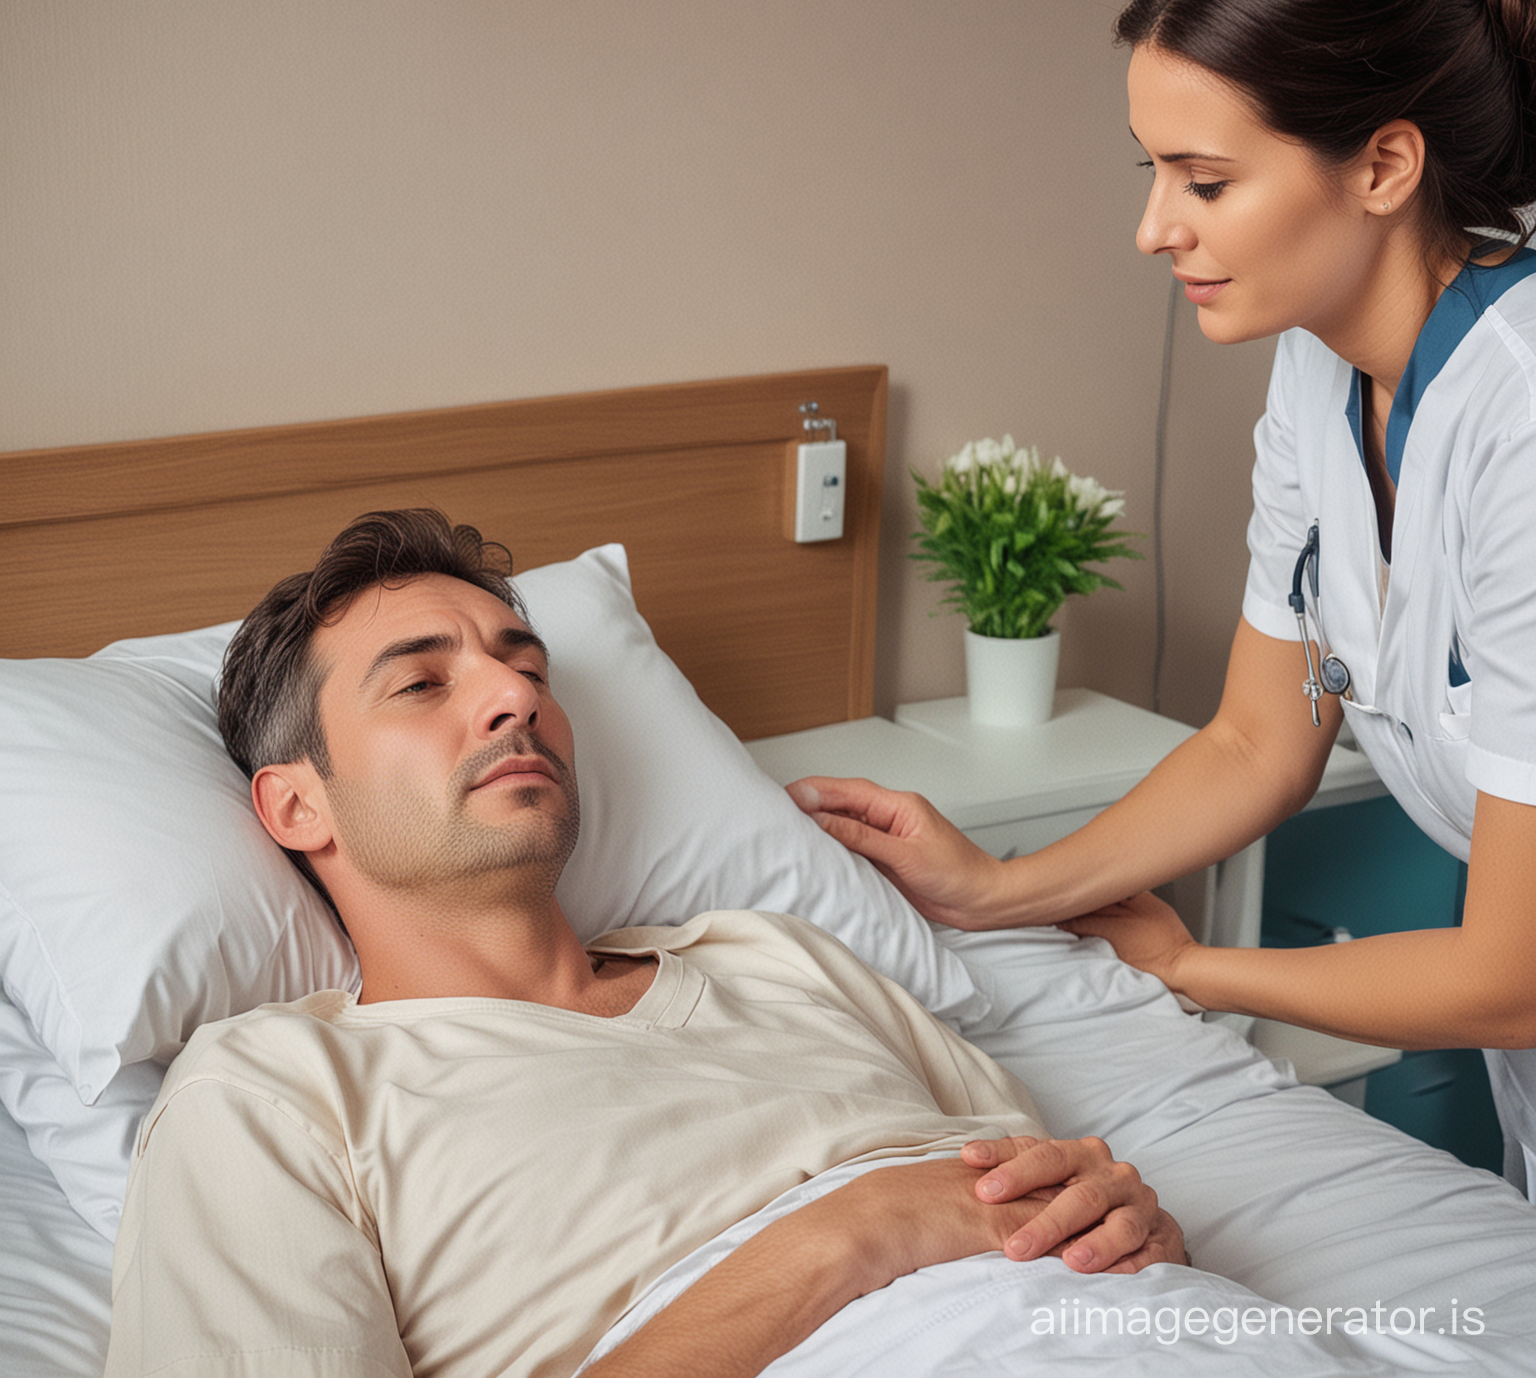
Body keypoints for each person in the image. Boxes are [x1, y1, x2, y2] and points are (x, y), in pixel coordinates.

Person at [788, 0, 1536, 1204]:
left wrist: (1192, 970)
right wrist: (991, 890)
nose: (1153, 230)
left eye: (1204, 179)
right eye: (1154, 173)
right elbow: (1266, 732)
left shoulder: (1523, 418)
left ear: (1382, 163)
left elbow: (1511, 971)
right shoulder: (1320, 377)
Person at [103, 508, 1184, 1378]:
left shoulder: (775, 956)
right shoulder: (273, 1097)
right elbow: (910, 1218)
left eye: (527, 666)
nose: (515, 695)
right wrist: (850, 1234)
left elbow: (1057, 1210)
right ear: (296, 808)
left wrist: (1135, 1230)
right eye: (424, 683)